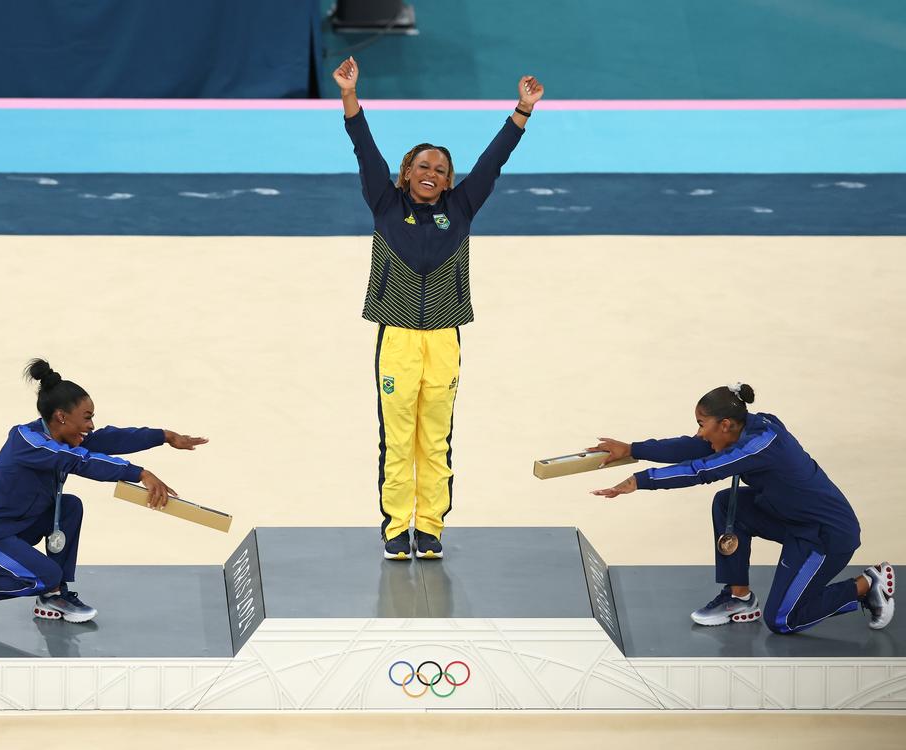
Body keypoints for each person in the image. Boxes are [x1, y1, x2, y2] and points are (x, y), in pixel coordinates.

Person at [332, 55, 544, 561]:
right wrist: (349, 97)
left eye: (440, 170)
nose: (431, 174)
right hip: (398, 337)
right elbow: (364, 150)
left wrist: (522, 110)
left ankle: (429, 528)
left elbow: (493, 161)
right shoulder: (385, 202)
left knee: (436, 438)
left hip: (445, 336)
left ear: (449, 182)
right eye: (423, 166)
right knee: (398, 436)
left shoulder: (462, 207)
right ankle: (393, 528)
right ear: (406, 173)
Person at [589, 383, 894, 633]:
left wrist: (640, 481)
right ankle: (739, 598)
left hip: (826, 535)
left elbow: (700, 470)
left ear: (724, 424)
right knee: (727, 504)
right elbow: (691, 447)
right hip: (790, 519)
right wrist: (632, 449)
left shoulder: (760, 444)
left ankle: (867, 585)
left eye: (701, 424)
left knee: (782, 620)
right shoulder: (740, 430)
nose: (699, 433)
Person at [0, 358, 207, 624]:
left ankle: (53, 596)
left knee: (70, 506)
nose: (91, 425)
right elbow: (79, 461)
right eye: (87, 418)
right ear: (61, 417)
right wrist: (141, 474)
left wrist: (164, 436)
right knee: (45, 575)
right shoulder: (26, 440)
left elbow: (109, 438)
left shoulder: (63, 435)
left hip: (9, 526)